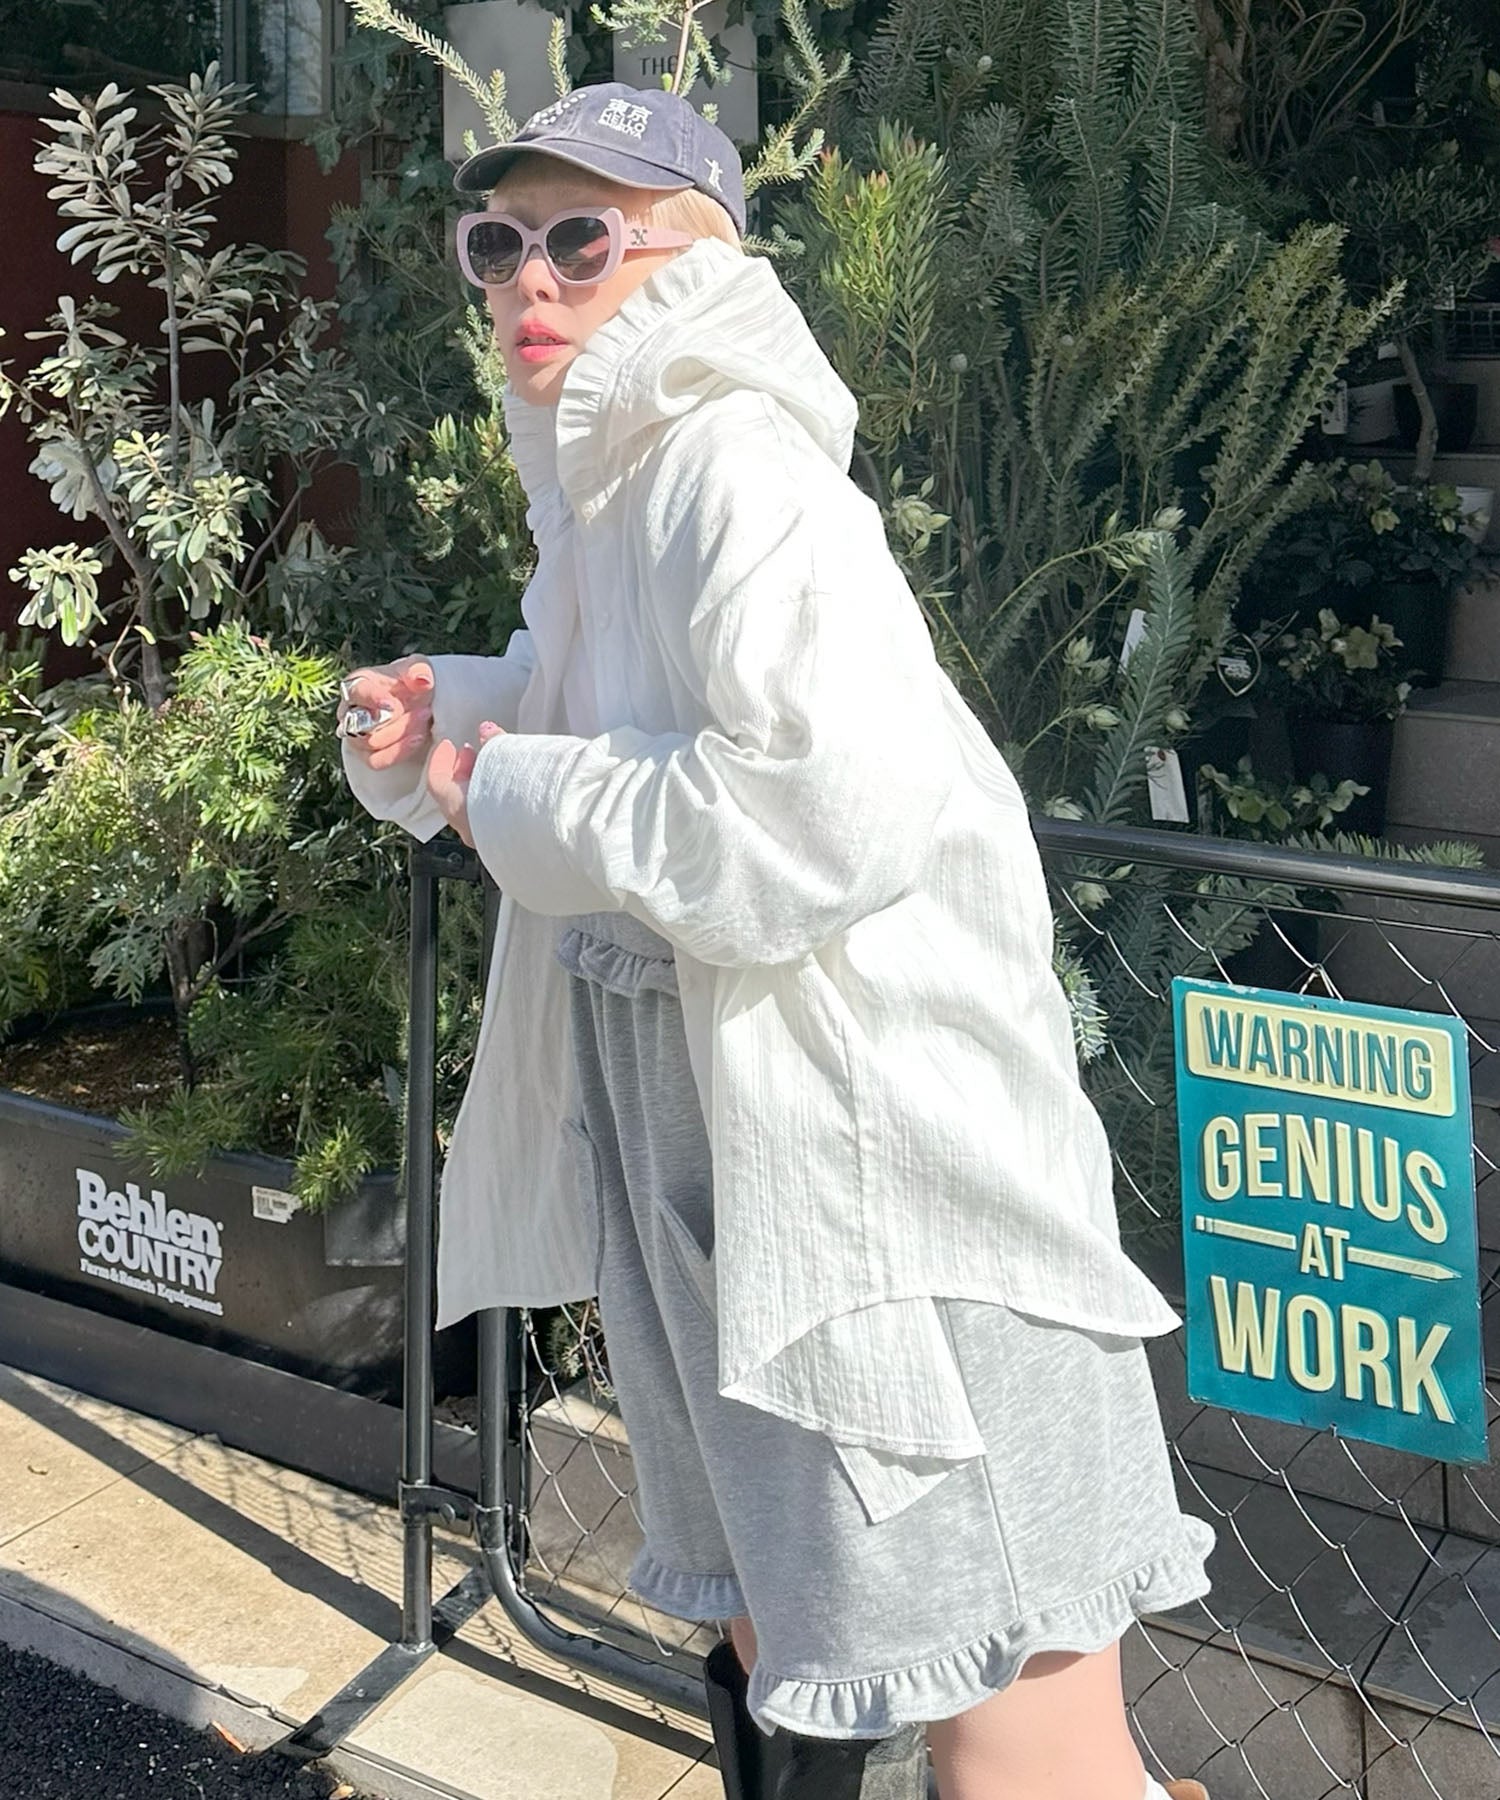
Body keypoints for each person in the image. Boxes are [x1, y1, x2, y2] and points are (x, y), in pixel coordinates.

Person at [338, 80, 1216, 1800]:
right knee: (790, 1634)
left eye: (582, 238)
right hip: (734, 1151)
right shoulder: (608, 491)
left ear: (699, 265)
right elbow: (622, 729)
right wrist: (468, 716)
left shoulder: (736, 468)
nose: (529, 281)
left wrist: (506, 781)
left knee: (1012, 1706)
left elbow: (822, 805)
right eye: (496, 244)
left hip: (883, 1182)